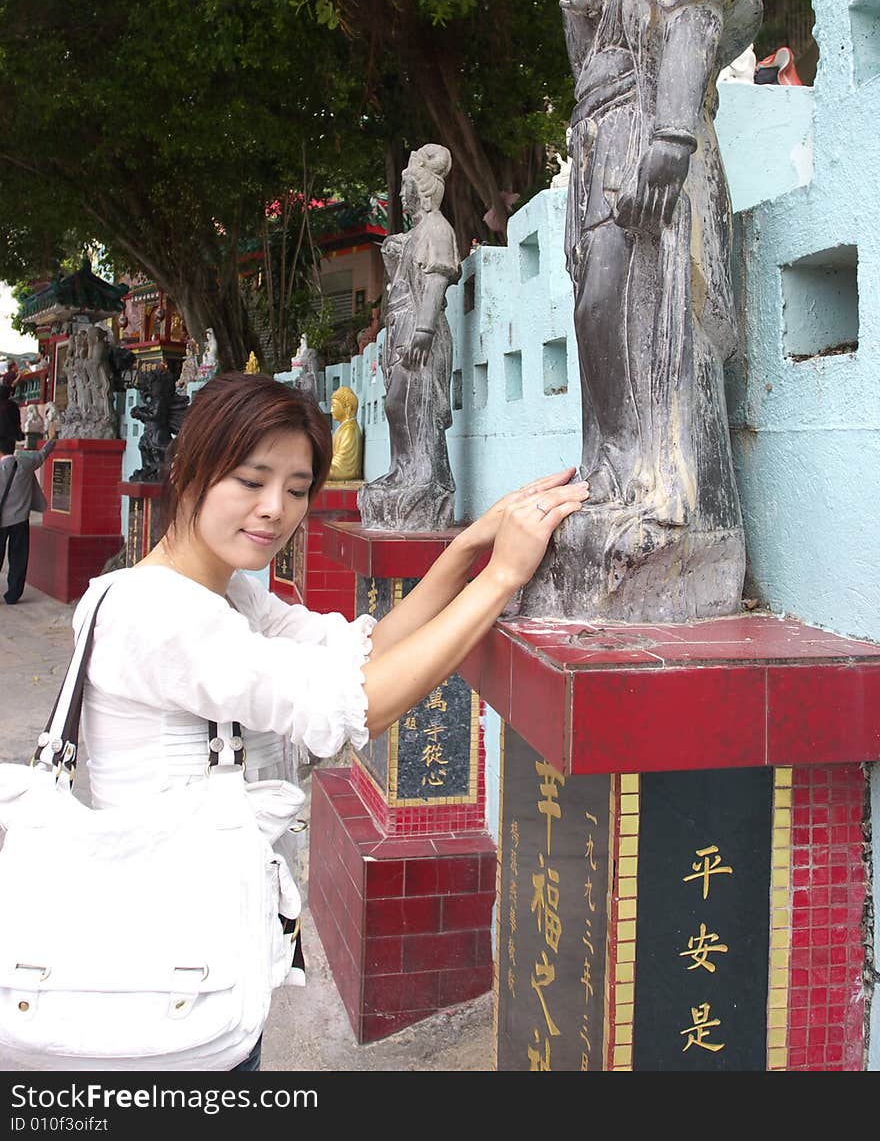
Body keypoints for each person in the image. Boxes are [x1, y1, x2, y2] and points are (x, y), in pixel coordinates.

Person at [72, 371, 589, 1070]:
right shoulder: (157, 616)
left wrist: (470, 546)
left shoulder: (229, 600)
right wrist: (501, 580)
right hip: (160, 971)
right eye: (252, 481)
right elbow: (355, 704)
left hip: (207, 946)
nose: (273, 510)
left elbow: (363, 654)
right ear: (191, 472)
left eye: (294, 488)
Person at [532, 0, 761, 616]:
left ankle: (670, 494)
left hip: (652, 144)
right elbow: (591, 68)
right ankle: (615, 473)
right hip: (604, 149)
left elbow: (695, 21)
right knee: (602, 314)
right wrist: (580, 8)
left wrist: (670, 136)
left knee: (649, 319)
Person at [358, 143, 461, 531]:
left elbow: (435, 282)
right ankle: (403, 469)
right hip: (400, 328)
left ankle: (428, 478)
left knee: (420, 405)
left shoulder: (437, 229)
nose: (401, 196)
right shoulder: (415, 233)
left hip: (421, 331)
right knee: (397, 405)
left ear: (422, 189)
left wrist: (423, 329)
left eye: (406, 188)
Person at [0, 420, 58, 605]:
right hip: (19, 519)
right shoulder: (25, 462)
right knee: (18, 557)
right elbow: (43, 454)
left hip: (1, 521)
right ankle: (13, 594)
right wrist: (52, 437)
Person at [327, 385, 363, 481]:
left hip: (344, 472)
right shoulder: (343, 428)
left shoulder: (350, 430)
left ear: (347, 408)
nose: (331, 410)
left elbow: (342, 467)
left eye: (334, 406)